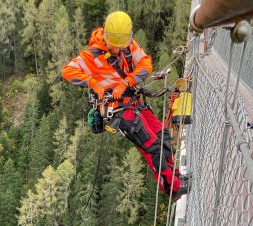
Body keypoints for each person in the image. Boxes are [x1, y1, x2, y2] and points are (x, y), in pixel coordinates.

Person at [62, 11, 189, 200]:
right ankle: (173, 187)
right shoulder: (92, 56)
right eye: (113, 47)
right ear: (105, 37)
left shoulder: (129, 46)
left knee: (162, 135)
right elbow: (68, 71)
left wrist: (126, 83)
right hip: (119, 112)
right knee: (152, 147)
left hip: (134, 101)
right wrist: (94, 84)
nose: (117, 50)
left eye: (120, 46)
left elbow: (146, 64)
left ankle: (174, 175)